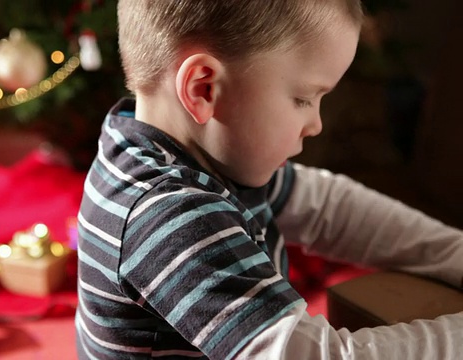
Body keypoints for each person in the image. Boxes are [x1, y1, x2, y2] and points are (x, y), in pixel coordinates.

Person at [75, 0, 463, 358]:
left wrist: (453, 254)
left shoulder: (177, 150)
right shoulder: (169, 214)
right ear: (204, 88)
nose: (316, 124)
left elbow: (326, 206)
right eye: (304, 98)